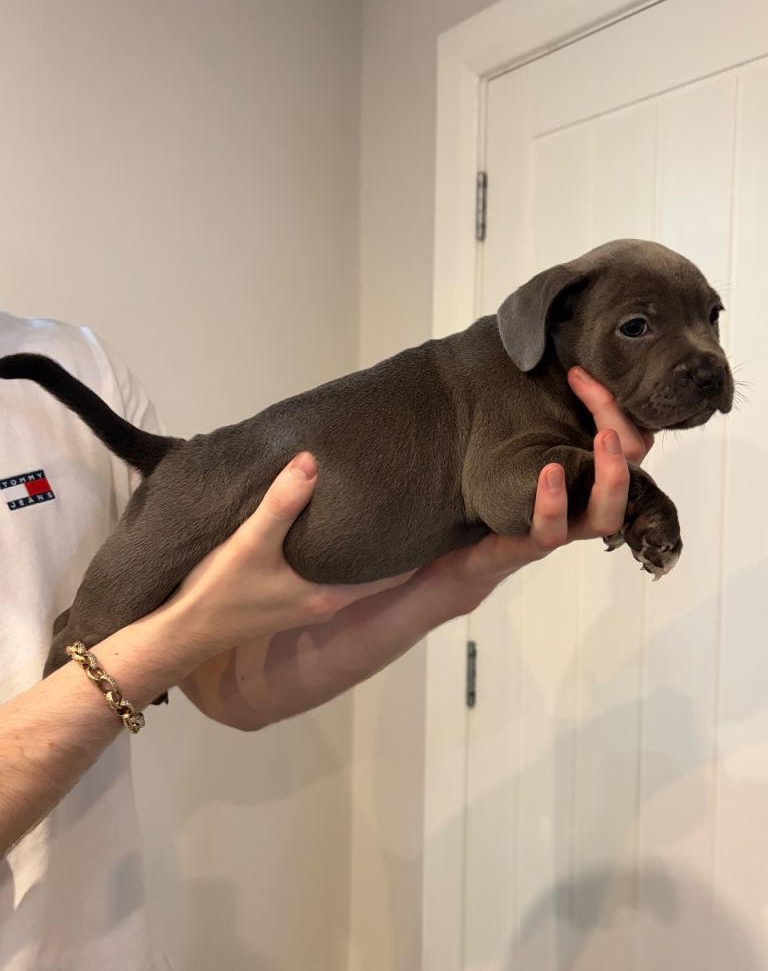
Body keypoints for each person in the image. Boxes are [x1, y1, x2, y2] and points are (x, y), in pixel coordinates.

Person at [0, 311, 652, 970]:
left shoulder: (83, 359)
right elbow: (171, 643)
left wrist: (463, 576)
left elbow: (230, 689)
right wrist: (175, 635)